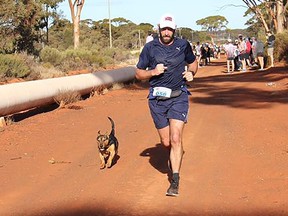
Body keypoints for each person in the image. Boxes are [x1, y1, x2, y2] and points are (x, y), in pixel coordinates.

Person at [135, 13, 198, 197]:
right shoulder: (150, 48)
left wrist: (192, 73)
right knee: (166, 142)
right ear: (159, 28)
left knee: (176, 137)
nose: (167, 32)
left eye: (170, 29)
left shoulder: (183, 45)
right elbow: (138, 73)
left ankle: (175, 180)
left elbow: (193, 63)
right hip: (157, 100)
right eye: (164, 29)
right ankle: (174, 153)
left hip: (179, 96)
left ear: (174, 29)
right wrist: (153, 71)